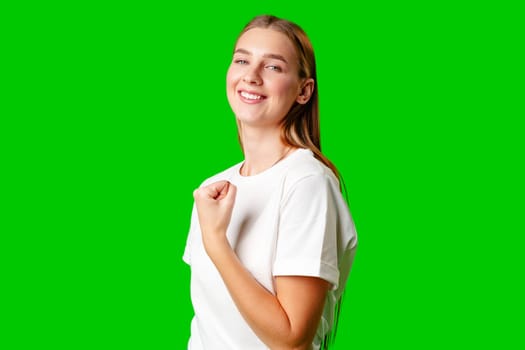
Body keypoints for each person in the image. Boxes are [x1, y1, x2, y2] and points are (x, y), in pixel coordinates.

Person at [183, 15, 358, 350]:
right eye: (242, 60)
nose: (251, 76)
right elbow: (210, 327)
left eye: (273, 67)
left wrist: (217, 242)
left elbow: (291, 338)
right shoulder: (214, 189)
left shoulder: (307, 183)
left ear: (304, 91)